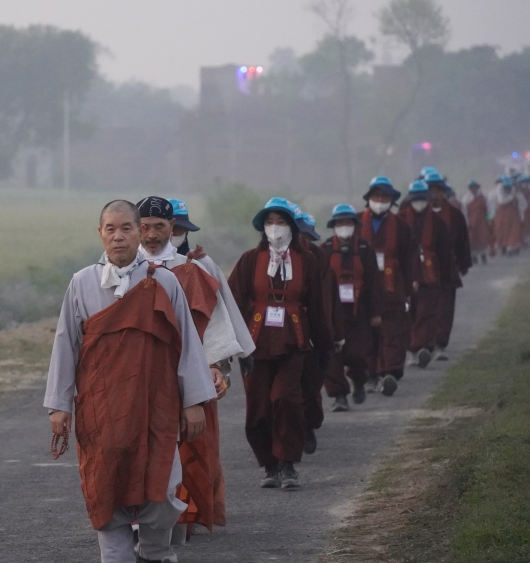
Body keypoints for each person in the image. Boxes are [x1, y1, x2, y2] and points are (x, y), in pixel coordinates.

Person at [44, 200, 217, 563]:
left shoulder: (163, 281)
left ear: (139, 233)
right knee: (105, 491)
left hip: (154, 409)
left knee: (160, 492)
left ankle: (155, 554)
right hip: (100, 410)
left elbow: (185, 345)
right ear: (100, 234)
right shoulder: (82, 283)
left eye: (126, 228)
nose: (118, 236)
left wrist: (193, 402)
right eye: (111, 229)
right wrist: (59, 405)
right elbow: (66, 346)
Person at [137, 196, 255, 540]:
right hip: (137, 378)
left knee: (191, 448)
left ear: (173, 228)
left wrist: (216, 366)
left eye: (160, 227)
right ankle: (138, 521)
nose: (152, 235)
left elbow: (215, 325)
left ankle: (180, 520)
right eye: (144, 226)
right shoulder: (119, 268)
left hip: (188, 376)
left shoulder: (196, 269)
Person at [227, 198, 331, 490]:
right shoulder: (250, 260)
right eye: (270, 222)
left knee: (285, 400)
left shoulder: (306, 261)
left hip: (293, 339)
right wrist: (235, 346)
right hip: (256, 341)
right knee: (258, 406)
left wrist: (325, 344)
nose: (276, 228)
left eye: (281, 222)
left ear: (292, 227)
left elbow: (318, 306)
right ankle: (269, 465)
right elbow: (233, 303)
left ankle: (288, 464)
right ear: (262, 227)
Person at [358, 176, 416, 396]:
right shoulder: (355, 223)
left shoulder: (401, 226)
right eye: (376, 197)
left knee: (393, 332)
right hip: (363, 289)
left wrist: (410, 290)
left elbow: (409, 259)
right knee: (365, 336)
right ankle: (369, 376)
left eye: (384, 198)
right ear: (369, 199)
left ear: (392, 201)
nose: (380, 201)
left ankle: (390, 372)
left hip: (392, 287)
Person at [321, 205, 382, 411]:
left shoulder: (365, 249)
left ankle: (358, 380)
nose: (344, 227)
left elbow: (374, 282)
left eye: (348, 223)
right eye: (340, 223)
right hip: (332, 313)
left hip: (359, 312)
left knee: (357, 353)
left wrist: (375, 312)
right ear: (334, 226)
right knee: (332, 356)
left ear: (354, 226)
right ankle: (339, 396)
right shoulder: (325, 249)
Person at [293, 211, 338, 456]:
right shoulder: (262, 259)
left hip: (311, 332)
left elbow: (326, 301)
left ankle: (308, 425)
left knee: (310, 387)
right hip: (279, 335)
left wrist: (327, 336)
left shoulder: (319, 258)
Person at [399, 180, 454, 368]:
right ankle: (412, 348)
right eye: (416, 199)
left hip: (431, 273)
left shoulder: (438, 222)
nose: (419, 203)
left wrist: (445, 276)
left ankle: (421, 348)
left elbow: (444, 251)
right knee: (409, 314)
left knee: (428, 312)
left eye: (423, 199)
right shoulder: (401, 220)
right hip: (407, 272)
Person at [423, 171, 471, 361]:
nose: (435, 194)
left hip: (447, 269)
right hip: (423, 269)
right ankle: (423, 344)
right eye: (430, 190)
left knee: (444, 309)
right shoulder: (417, 215)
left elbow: (462, 242)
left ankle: (440, 344)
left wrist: (463, 263)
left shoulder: (455, 215)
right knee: (424, 308)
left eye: (438, 190)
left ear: (444, 192)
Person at [489, 175, 524, 256]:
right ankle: (502, 246)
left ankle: (511, 247)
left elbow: (522, 202)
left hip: (512, 214)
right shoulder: (494, 193)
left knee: (513, 230)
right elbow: (498, 203)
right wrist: (490, 217)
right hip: (499, 214)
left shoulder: (515, 190)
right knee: (500, 230)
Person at [461, 180, 494, 264]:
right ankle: (474, 256)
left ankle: (483, 255)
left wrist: (489, 218)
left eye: (475, 187)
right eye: (472, 188)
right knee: (472, 239)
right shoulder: (466, 199)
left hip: (482, 221)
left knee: (482, 237)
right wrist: (466, 222)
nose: (474, 189)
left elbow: (489, 209)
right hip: (471, 222)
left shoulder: (483, 197)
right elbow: (464, 212)